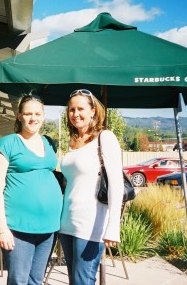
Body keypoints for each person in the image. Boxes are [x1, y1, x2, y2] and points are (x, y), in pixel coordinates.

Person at [0, 93, 63, 285]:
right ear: (19, 116)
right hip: (19, 226)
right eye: (28, 113)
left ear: (44, 115)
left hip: (49, 225)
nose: (33, 118)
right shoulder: (7, 144)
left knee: (36, 279)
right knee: (18, 280)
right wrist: (2, 229)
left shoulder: (49, 142)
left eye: (38, 114)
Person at [59, 89, 124, 285]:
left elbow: (116, 184)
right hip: (67, 222)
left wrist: (113, 226)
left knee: (83, 281)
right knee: (75, 281)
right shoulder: (73, 141)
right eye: (71, 109)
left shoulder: (105, 137)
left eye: (80, 109)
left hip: (90, 224)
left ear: (93, 111)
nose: (75, 114)